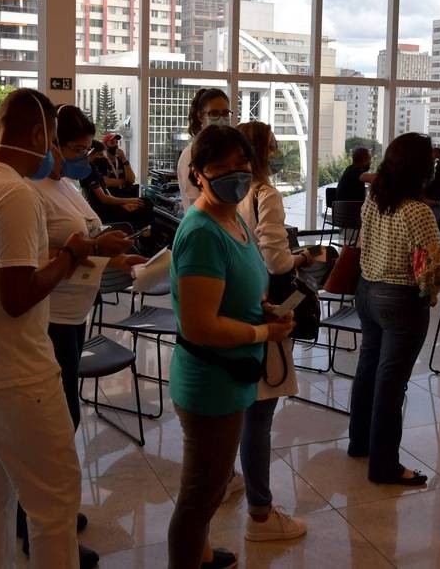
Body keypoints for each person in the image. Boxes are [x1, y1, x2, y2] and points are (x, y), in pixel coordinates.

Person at [0, 88, 131, 569]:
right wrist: (72, 253)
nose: (56, 154)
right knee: (54, 505)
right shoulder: (14, 193)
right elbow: (18, 295)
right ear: (36, 134)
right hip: (16, 371)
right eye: (52, 139)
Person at [15, 104, 145, 557]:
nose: (80, 157)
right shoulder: (28, 191)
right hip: (48, 316)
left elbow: (82, 243)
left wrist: (116, 257)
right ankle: (36, 522)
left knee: (64, 415)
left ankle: (51, 510)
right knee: (54, 421)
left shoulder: (68, 186)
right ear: (47, 142)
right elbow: (38, 256)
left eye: (85, 149)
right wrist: (91, 247)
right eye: (72, 148)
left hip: (73, 312)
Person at [167, 124, 294, 569]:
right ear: (198, 174)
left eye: (242, 164)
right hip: (210, 381)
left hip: (233, 372)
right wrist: (263, 334)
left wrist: (261, 308)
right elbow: (201, 326)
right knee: (200, 496)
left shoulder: (234, 215)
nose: (235, 174)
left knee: (214, 481)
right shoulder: (202, 230)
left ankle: (200, 555)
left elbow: (239, 283)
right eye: (220, 168)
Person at [348, 132, 440, 484]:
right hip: (401, 298)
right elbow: (432, 264)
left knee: (368, 370)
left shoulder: (374, 199)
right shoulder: (418, 210)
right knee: (392, 383)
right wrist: (431, 292)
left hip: (367, 291)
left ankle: (359, 443)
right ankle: (385, 465)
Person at [235, 121, 313, 542]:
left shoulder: (221, 199)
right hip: (263, 307)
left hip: (234, 306)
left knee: (240, 407)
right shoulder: (266, 195)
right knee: (260, 413)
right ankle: (260, 511)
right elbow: (277, 260)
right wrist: (302, 259)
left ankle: (237, 484)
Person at [74, 113, 151, 231]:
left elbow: (130, 180)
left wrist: (123, 202)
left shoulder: (95, 168)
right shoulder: (90, 171)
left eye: (116, 143)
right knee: (141, 207)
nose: (101, 157)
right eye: (100, 154)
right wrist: (127, 200)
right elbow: (104, 196)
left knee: (146, 202)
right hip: (105, 209)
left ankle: (144, 238)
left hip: (113, 203)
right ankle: (143, 239)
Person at [177, 87, 231, 211]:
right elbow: (195, 201)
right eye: (214, 113)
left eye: (225, 113)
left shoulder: (228, 151)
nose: (221, 118)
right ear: (201, 116)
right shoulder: (191, 154)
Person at [92, 132, 139, 198]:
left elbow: (131, 179)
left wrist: (124, 159)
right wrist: (125, 181)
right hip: (111, 195)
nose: (115, 145)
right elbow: (106, 182)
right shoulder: (100, 160)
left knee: (146, 202)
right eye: (112, 143)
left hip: (125, 193)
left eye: (117, 142)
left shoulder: (121, 160)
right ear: (105, 145)